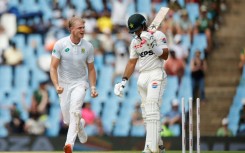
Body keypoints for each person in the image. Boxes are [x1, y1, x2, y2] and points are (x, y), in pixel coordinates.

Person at [114, 13, 169, 153]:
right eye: (134, 31)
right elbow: (132, 63)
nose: (136, 33)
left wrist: (153, 45)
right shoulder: (135, 42)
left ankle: (150, 148)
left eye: (138, 30)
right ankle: (159, 145)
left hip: (156, 73)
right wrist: (123, 82)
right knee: (146, 113)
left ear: (144, 25)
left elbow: (165, 55)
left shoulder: (157, 35)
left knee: (152, 107)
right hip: (142, 76)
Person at [50, 16, 99, 153]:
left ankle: (68, 145)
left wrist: (93, 86)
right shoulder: (60, 44)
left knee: (76, 110)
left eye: (84, 27)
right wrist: (56, 85)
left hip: (80, 83)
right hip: (64, 85)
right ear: (71, 29)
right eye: (79, 28)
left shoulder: (88, 46)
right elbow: (53, 67)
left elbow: (91, 69)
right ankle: (81, 125)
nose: (83, 30)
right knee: (68, 119)